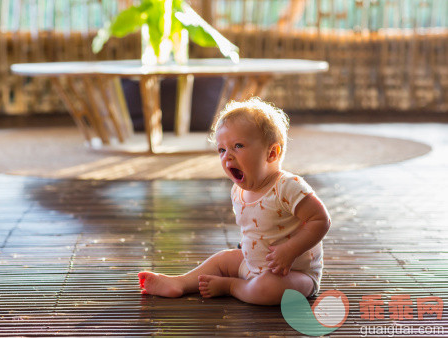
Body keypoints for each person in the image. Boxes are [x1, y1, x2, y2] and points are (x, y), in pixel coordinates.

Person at [138, 97, 331, 305]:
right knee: (223, 259)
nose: (227, 156)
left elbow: (320, 220)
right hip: (253, 265)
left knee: (267, 288)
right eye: (222, 149)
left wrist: (290, 250)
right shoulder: (238, 191)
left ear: (272, 153)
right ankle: (181, 282)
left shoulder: (288, 186)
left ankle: (232, 286)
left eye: (238, 146)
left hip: (292, 274)